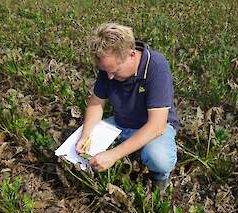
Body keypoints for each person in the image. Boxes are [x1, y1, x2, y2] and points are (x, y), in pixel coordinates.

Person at [75, 22, 179, 190]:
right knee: (81, 139)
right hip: (121, 123)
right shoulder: (108, 66)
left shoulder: (156, 65)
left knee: (158, 158)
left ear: (131, 54)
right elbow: (96, 103)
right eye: (105, 71)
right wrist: (85, 135)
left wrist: (113, 155)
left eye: (114, 71)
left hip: (154, 126)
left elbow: (157, 126)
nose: (109, 77)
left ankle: (160, 178)